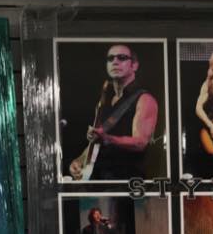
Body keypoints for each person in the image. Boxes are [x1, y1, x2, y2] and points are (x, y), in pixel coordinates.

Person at [68, 44, 160, 181]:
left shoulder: (145, 99)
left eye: (122, 57)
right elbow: (96, 141)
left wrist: (107, 138)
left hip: (127, 182)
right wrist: (80, 161)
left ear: (134, 65)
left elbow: (140, 142)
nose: (115, 62)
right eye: (110, 58)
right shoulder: (103, 102)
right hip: (99, 180)